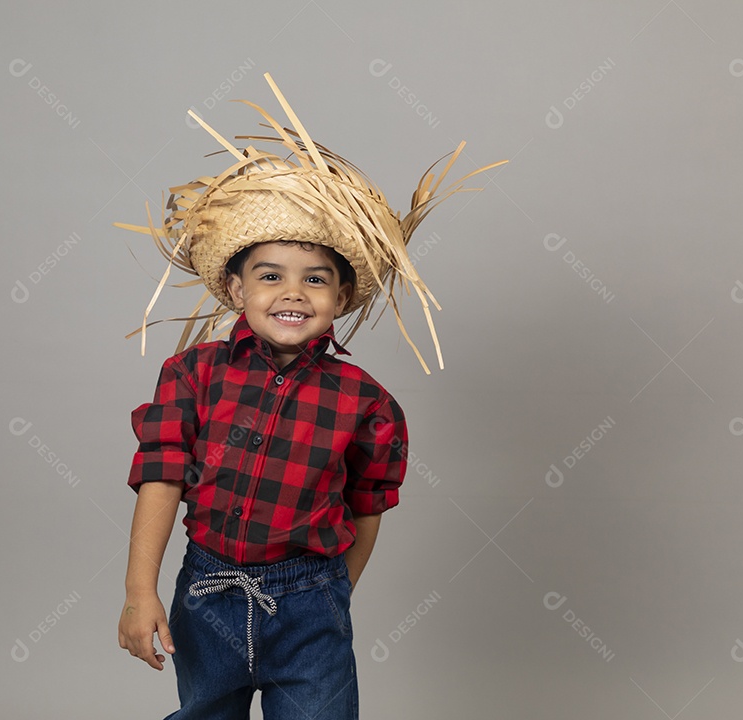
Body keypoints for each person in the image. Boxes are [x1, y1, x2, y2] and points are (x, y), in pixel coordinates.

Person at [114, 72, 505, 720]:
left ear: (341, 298)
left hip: (311, 599)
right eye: (270, 276)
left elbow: (368, 505)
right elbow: (159, 478)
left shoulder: (366, 403)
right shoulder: (193, 376)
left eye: (315, 279)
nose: (292, 293)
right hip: (207, 590)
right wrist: (138, 592)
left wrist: (330, 595)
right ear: (236, 290)